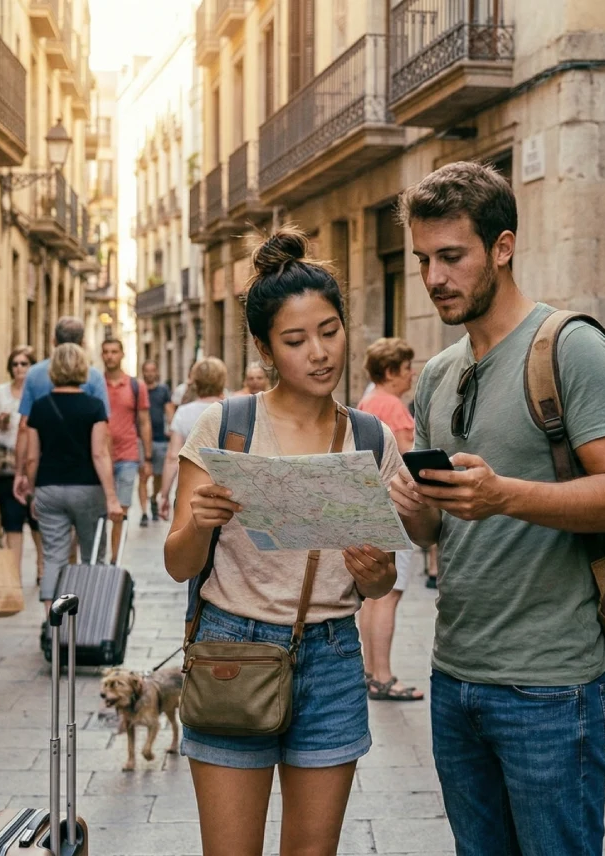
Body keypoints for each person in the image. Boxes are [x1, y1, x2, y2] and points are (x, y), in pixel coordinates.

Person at [388, 161, 605, 855]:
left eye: (452, 256)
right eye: (423, 260)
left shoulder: (571, 346)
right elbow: (433, 530)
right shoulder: (437, 375)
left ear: (502, 247)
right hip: (455, 675)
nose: (435, 277)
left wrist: (504, 494)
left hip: (551, 684)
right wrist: (409, 505)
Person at [164, 227, 402, 856]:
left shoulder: (371, 438)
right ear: (265, 348)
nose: (319, 354)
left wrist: (373, 569)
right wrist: (200, 523)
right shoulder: (226, 427)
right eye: (296, 341)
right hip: (232, 651)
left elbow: (381, 581)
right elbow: (178, 563)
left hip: (332, 657)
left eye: (330, 331)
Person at [24, 344, 124, 613]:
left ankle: (52, 623)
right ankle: (90, 618)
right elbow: (100, 454)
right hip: (88, 489)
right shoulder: (94, 406)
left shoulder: (39, 407)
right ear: (83, 369)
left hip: (49, 488)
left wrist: (32, 492)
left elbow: (32, 458)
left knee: (53, 557)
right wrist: (111, 498)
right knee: (92, 556)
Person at [357, 337, 424, 702]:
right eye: (406, 368)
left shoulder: (368, 402)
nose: (411, 374)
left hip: (369, 507)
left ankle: (370, 672)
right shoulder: (393, 407)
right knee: (389, 597)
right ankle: (383, 676)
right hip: (394, 510)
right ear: (390, 371)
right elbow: (407, 461)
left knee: (372, 598)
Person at [13, 316, 109, 508]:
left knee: (48, 520)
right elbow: (104, 432)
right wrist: (108, 481)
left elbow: (24, 427)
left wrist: (20, 473)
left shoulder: (34, 374)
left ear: (53, 341)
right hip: (85, 473)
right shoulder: (94, 376)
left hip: (46, 474)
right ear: (83, 343)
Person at [0, 346, 43, 584]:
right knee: (11, 520)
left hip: (35, 462)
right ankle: (14, 575)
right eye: (15, 364)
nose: (19, 368)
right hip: (6, 463)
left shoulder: (40, 392)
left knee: (37, 520)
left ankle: (42, 569)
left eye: (24, 363)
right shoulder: (1, 392)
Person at [157, 358, 227, 521]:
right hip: (225, 490)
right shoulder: (231, 409)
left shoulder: (184, 412)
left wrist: (164, 494)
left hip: (190, 490)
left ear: (195, 381)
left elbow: (173, 457)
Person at [102, 338, 152, 560]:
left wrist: (147, 458)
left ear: (122, 354)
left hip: (128, 456)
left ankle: (115, 559)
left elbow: (144, 422)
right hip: (100, 456)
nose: (110, 356)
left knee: (121, 510)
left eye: (114, 351)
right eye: (106, 352)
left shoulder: (136, 386)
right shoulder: (95, 384)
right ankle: (100, 555)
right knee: (100, 510)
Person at [138, 360, 173, 527]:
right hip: (141, 439)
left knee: (158, 476)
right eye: (147, 370)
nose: (149, 373)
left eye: (152, 370)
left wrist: (172, 429)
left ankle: (153, 498)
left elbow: (169, 410)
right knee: (143, 476)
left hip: (160, 439)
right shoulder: (139, 389)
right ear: (143, 372)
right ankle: (144, 513)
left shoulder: (163, 390)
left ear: (156, 372)